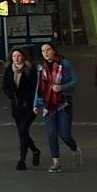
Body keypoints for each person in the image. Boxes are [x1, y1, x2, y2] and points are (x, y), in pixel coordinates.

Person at [33, 42, 81, 173]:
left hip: (63, 102)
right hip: (48, 104)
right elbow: (38, 87)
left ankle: (74, 148)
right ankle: (56, 162)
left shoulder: (64, 64)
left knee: (65, 134)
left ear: (54, 51)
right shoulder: (40, 68)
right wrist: (35, 103)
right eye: (43, 51)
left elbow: (75, 80)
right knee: (51, 133)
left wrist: (61, 87)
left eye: (48, 50)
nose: (46, 53)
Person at [1, 47, 41, 170]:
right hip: (16, 106)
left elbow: (35, 87)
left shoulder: (30, 70)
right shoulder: (9, 70)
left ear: (23, 56)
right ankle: (34, 150)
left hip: (29, 106)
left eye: (19, 56)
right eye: (14, 56)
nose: (16, 58)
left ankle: (22, 159)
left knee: (23, 129)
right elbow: (5, 86)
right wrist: (11, 96)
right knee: (22, 132)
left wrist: (27, 99)